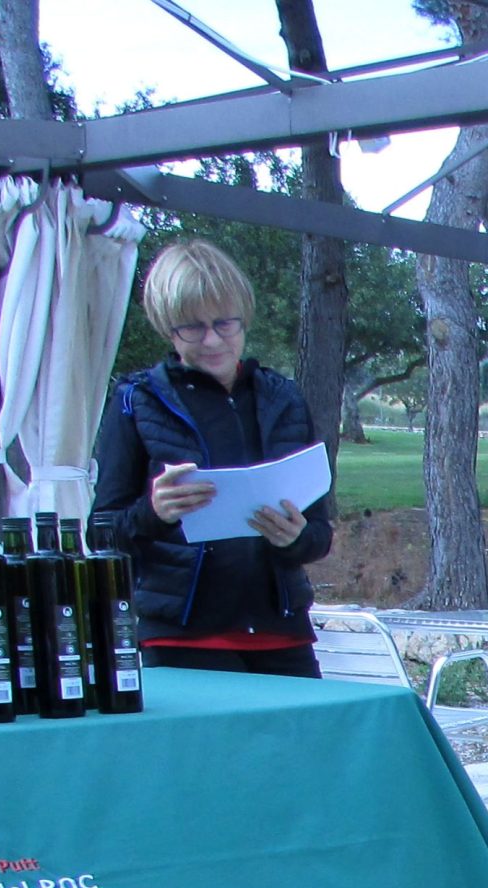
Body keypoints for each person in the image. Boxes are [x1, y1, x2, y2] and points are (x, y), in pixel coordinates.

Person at [92, 239, 333, 677]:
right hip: (180, 636)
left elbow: (320, 534)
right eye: (192, 327)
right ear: (169, 329)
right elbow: (102, 533)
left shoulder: (284, 399)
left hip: (281, 631)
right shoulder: (137, 400)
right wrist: (154, 512)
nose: (212, 340)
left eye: (224, 324)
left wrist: (295, 538)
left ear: (243, 319)